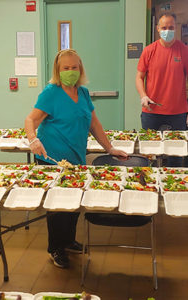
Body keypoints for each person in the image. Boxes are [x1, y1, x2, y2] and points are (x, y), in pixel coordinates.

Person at [24, 49, 127, 268]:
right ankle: (55, 248)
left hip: (76, 159)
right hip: (51, 159)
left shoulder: (84, 93)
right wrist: (33, 139)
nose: (70, 72)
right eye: (66, 68)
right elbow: (30, 120)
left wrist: (109, 148)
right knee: (58, 208)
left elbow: (94, 124)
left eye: (74, 67)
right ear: (58, 71)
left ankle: (68, 240)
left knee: (73, 204)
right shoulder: (51, 93)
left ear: (80, 69)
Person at [136, 13, 188, 166]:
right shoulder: (149, 51)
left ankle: (174, 188)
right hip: (151, 112)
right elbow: (139, 77)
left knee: (176, 157)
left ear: (175, 28)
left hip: (177, 114)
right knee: (150, 156)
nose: (167, 30)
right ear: (158, 29)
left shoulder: (184, 50)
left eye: (171, 27)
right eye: (164, 27)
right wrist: (143, 95)